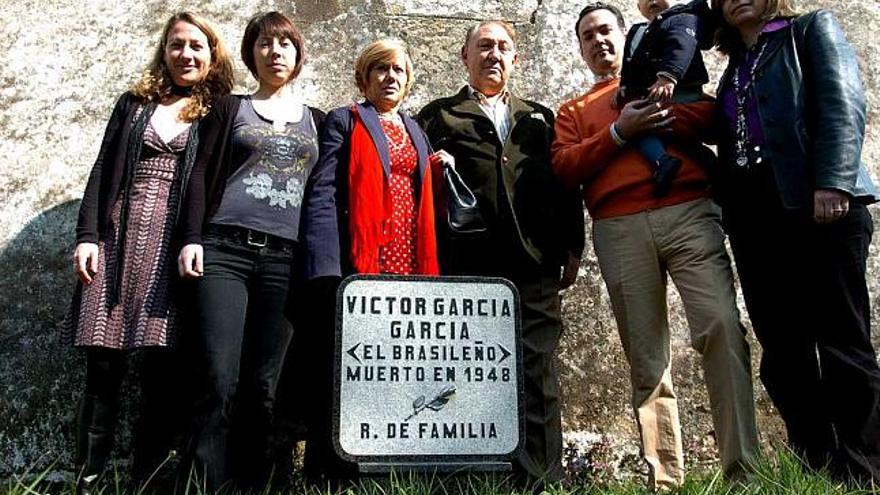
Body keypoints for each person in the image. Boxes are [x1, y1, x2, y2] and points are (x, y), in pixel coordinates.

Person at [551, 3, 759, 489]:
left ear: (626, 36)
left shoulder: (671, 77)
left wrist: (660, 116)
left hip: (689, 213)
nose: (599, 41)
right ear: (581, 50)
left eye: (606, 31)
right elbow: (564, 166)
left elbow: (712, 118)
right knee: (647, 358)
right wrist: (621, 132)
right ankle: (665, 480)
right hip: (618, 227)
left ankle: (744, 473)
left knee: (722, 328)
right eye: (588, 36)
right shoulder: (574, 110)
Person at [712, 0, 880, 482]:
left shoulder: (809, 29)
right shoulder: (735, 66)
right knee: (784, 354)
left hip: (818, 207)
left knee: (843, 344)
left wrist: (833, 181)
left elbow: (842, 101)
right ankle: (815, 466)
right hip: (757, 224)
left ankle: (864, 471)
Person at [67, 11, 233, 494]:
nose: (186, 54)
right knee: (102, 367)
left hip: (172, 247)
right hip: (117, 241)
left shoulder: (217, 109)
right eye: (177, 45)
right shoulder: (134, 103)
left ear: (212, 55)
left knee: (163, 372)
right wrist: (87, 235)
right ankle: (89, 480)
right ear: (164, 51)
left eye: (197, 46)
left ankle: (148, 482)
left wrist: (197, 240)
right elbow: (101, 171)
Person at [417, 21, 585, 488]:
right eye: (484, 46)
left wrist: (573, 244)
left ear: (516, 59)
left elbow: (565, 183)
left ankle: (540, 478)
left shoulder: (540, 118)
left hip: (534, 261)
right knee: (467, 370)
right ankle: (472, 477)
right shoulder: (438, 117)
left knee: (537, 373)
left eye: (503, 47)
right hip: (467, 263)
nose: (494, 54)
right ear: (464, 57)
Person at [177, 11, 324, 490]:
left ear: (298, 54)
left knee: (265, 386)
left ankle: (253, 483)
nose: (275, 51)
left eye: (284, 43)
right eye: (264, 43)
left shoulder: (317, 121)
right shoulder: (229, 109)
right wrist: (192, 238)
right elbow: (198, 174)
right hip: (224, 251)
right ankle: (204, 484)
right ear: (251, 53)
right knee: (217, 379)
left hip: (284, 260)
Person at [299, 38, 442, 483]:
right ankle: (330, 472)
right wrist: (325, 263)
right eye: (380, 69)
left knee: (396, 359)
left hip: (410, 257)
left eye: (398, 70)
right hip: (361, 257)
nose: (390, 77)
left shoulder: (416, 129)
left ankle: (388, 465)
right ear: (364, 77)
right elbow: (322, 191)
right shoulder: (346, 120)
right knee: (345, 361)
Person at [618, 0, 715, 196]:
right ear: (638, 7)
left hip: (681, 91)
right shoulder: (639, 31)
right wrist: (623, 87)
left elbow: (681, 45)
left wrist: (668, 77)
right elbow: (630, 62)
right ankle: (668, 162)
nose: (653, 1)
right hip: (654, 94)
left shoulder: (682, 18)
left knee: (646, 125)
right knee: (649, 129)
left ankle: (663, 161)